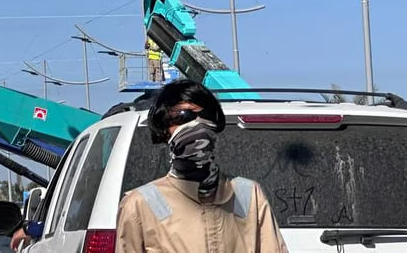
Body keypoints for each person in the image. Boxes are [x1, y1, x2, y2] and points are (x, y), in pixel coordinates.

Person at [115, 80, 288, 252]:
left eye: (206, 116)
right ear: (165, 128)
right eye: (184, 116)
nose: (198, 125)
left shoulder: (249, 195)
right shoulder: (139, 204)